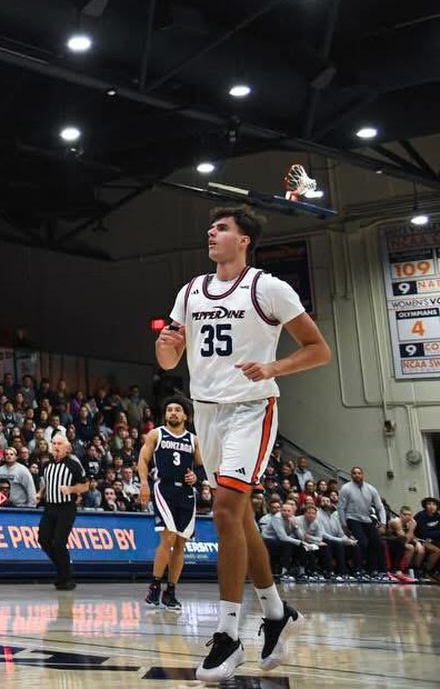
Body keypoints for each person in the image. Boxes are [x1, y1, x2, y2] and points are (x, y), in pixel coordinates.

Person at [157, 205, 331, 682]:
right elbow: (170, 357)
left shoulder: (267, 288)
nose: (211, 232)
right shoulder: (190, 291)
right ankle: (276, 613)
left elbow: (319, 350)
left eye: (222, 228)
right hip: (206, 412)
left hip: (251, 409)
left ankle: (229, 633)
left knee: (225, 512)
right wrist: (168, 345)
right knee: (239, 516)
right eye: (211, 226)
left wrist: (273, 368)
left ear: (244, 240)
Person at [137, 399, 204, 610]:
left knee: (181, 544)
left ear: (185, 416)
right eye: (169, 410)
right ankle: (155, 587)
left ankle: (171, 591)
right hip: (164, 489)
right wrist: (144, 484)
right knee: (168, 538)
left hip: (186, 493)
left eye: (177, 410)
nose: (173, 413)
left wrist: (197, 476)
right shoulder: (156, 434)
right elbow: (143, 460)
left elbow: (202, 466)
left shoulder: (193, 440)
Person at [38, 436, 88, 589]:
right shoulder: (47, 465)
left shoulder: (73, 465)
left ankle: (67, 576)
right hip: (49, 507)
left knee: (59, 542)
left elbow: (85, 486)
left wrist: (71, 489)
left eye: (59, 444)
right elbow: (46, 483)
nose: (56, 446)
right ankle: (63, 569)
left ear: (67, 448)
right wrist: (41, 493)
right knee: (44, 540)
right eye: (54, 443)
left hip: (66, 508)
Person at [338, 466, 390, 579]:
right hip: (352, 518)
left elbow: (380, 507)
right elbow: (341, 508)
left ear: (363, 475)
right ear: (351, 475)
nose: (357, 475)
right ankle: (358, 569)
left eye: (359, 473)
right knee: (362, 543)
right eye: (354, 473)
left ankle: (372, 570)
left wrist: (383, 523)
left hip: (366, 519)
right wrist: (343, 525)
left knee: (376, 542)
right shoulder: (346, 488)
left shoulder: (371, 489)